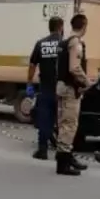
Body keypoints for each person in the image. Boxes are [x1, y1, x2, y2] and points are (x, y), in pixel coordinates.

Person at [54, 13, 90, 176]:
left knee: (63, 124)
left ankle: (66, 158)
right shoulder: (75, 43)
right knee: (69, 125)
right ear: (84, 26)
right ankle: (63, 163)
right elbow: (74, 67)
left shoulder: (64, 42)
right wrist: (86, 82)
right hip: (70, 89)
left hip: (61, 86)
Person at [27, 16, 64, 160]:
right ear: (60, 27)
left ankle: (42, 150)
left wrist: (29, 83)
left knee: (44, 119)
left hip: (45, 88)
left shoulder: (40, 44)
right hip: (61, 88)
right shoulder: (64, 44)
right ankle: (62, 152)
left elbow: (32, 65)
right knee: (62, 121)